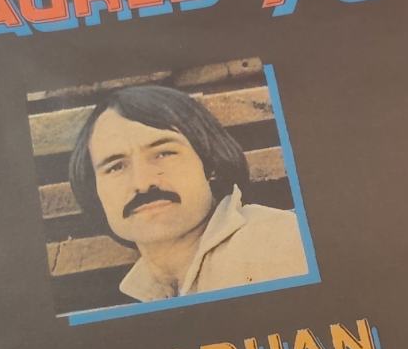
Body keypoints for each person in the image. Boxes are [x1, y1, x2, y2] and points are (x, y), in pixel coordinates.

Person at [69, 85, 309, 302]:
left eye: (164, 153)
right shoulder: (147, 289)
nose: (142, 183)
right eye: (116, 167)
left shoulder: (279, 244)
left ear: (210, 164)